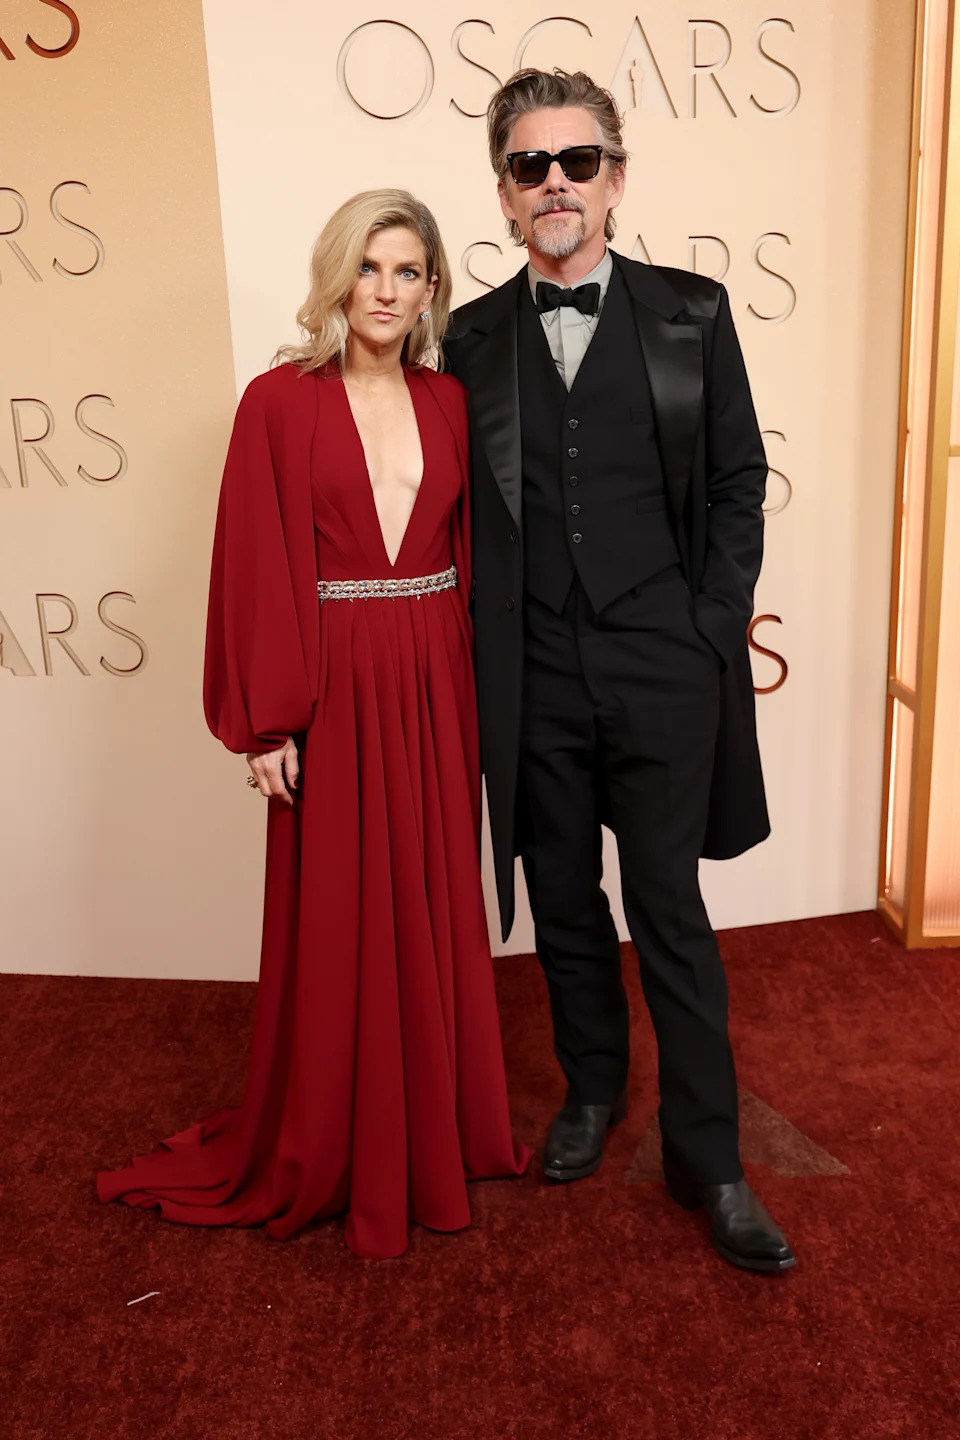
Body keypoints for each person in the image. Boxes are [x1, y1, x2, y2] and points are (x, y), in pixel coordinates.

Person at [97, 190, 529, 1259]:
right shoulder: (277, 403)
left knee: (431, 895)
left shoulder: (448, 401)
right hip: (333, 686)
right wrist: (266, 726)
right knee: (339, 909)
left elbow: (475, 556)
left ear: (433, 289)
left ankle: (438, 1124)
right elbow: (254, 564)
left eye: (409, 272)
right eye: (370, 268)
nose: (387, 291)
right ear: (338, 276)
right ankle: (334, 1136)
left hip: (435, 678)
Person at [443, 69, 795, 1273]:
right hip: (532, 671)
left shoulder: (694, 313)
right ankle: (590, 1093)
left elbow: (739, 480)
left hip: (663, 663)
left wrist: (708, 624)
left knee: (670, 913)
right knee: (568, 908)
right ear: (502, 193)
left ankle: (714, 1161)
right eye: (530, 165)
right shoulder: (467, 338)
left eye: (576, 161)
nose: (555, 183)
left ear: (616, 178)